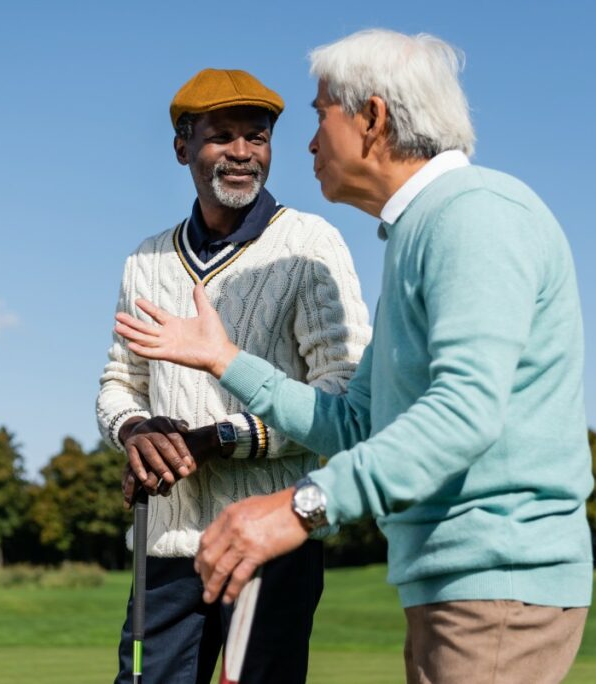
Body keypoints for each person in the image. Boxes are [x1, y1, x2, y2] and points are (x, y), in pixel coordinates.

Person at [115, 30, 593, 684]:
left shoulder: (473, 216)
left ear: (372, 118)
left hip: (497, 580)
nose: (308, 143)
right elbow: (357, 421)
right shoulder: (418, 232)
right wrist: (228, 360)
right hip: (450, 585)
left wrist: (296, 506)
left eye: (319, 116)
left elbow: (465, 412)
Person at [97, 68, 370, 683]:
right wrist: (137, 428)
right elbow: (120, 382)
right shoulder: (145, 259)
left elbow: (343, 400)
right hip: (166, 547)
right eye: (222, 136)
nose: (243, 152)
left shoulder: (310, 244)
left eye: (258, 135)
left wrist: (217, 438)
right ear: (182, 147)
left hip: (272, 541)